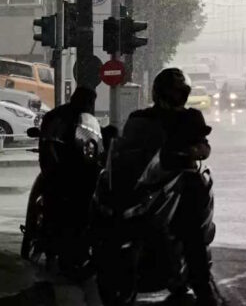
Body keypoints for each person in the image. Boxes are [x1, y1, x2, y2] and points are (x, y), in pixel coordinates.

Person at [120, 68, 221, 306]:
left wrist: (193, 150)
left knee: (190, 229)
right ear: (159, 92)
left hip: (179, 178)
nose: (175, 96)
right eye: (171, 91)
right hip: (146, 179)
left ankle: (203, 287)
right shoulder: (141, 117)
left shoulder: (190, 118)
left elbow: (203, 147)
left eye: (179, 92)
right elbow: (126, 144)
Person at [36, 86, 98, 277]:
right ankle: (51, 245)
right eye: (88, 101)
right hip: (60, 169)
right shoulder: (59, 117)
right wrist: (54, 163)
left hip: (81, 169)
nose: (89, 105)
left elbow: (95, 138)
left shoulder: (87, 121)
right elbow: (49, 141)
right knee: (56, 204)